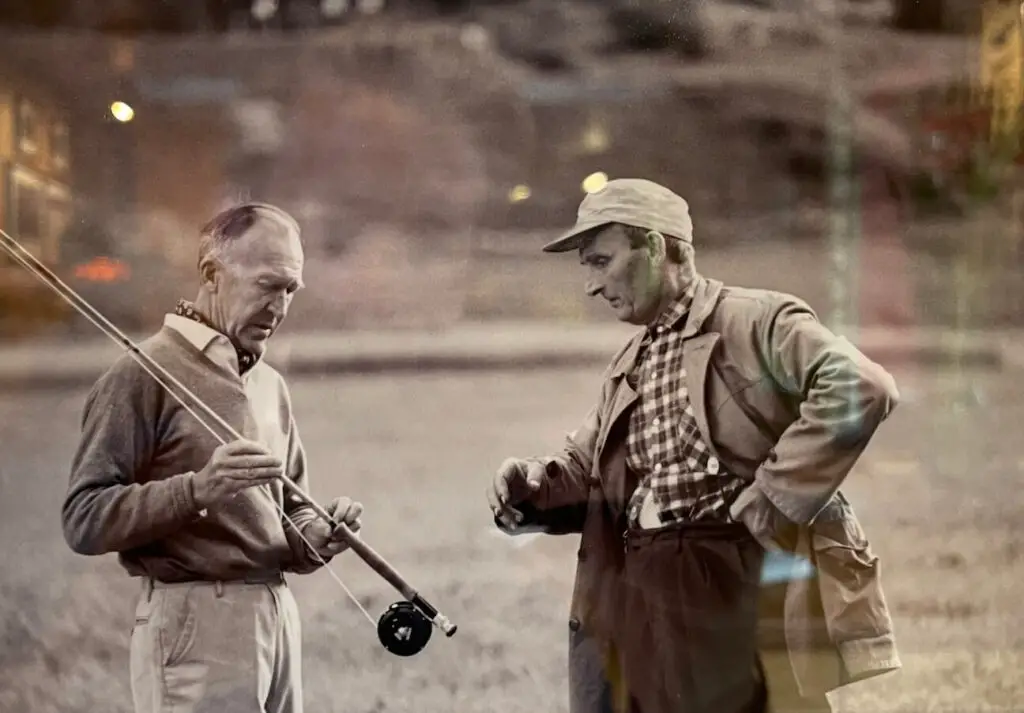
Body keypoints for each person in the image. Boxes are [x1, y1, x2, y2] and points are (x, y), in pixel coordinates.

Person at [487, 178, 902, 713]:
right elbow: (585, 471)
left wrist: (776, 493)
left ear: (657, 246)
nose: (590, 285)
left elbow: (862, 387)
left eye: (600, 261)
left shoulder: (756, 320)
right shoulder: (629, 362)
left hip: (735, 579)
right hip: (642, 588)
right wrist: (528, 488)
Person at [62, 202, 363, 713]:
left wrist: (318, 535)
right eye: (268, 285)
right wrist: (196, 490)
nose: (281, 306)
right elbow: (83, 519)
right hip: (193, 622)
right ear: (210, 273)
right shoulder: (140, 374)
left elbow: (290, 512)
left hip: (275, 614)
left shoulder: (270, 384)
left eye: (291, 290)